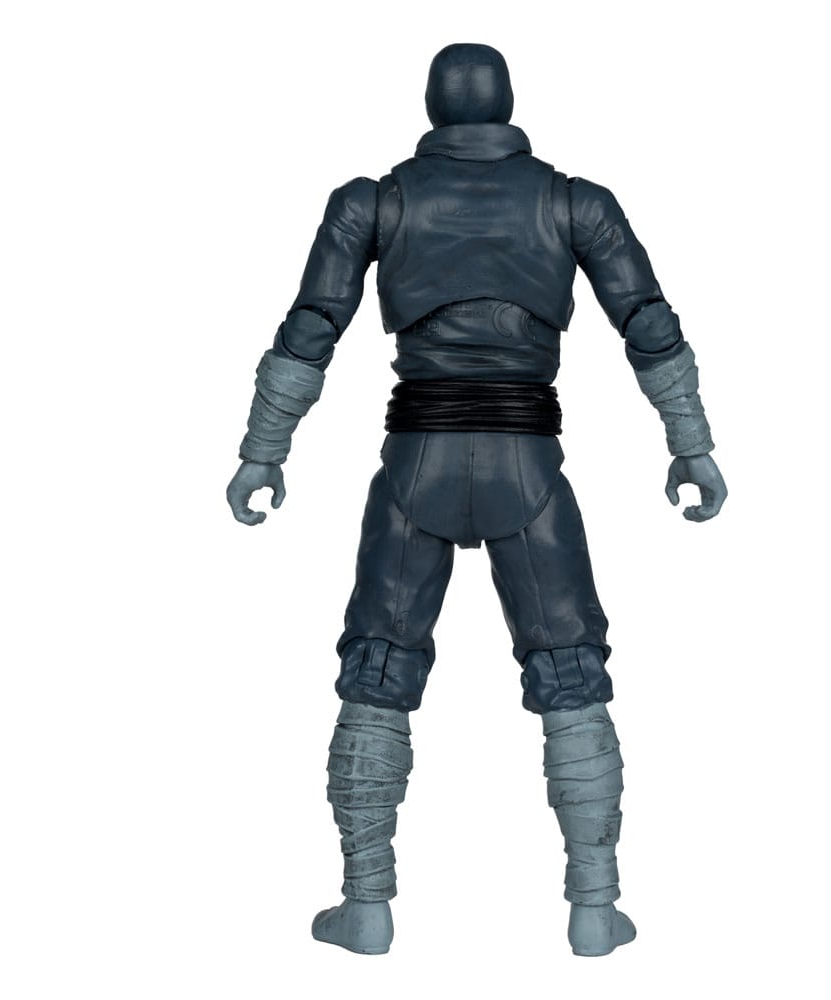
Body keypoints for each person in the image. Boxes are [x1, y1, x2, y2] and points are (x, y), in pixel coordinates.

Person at [227, 42, 727, 956]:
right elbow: (649, 325)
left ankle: (366, 906)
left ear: (433, 106)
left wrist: (263, 452)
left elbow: (309, 331)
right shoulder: (575, 202)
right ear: (505, 103)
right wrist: (690, 444)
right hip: (527, 466)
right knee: (570, 667)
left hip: (413, 461)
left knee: (378, 666)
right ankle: (593, 907)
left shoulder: (372, 202)